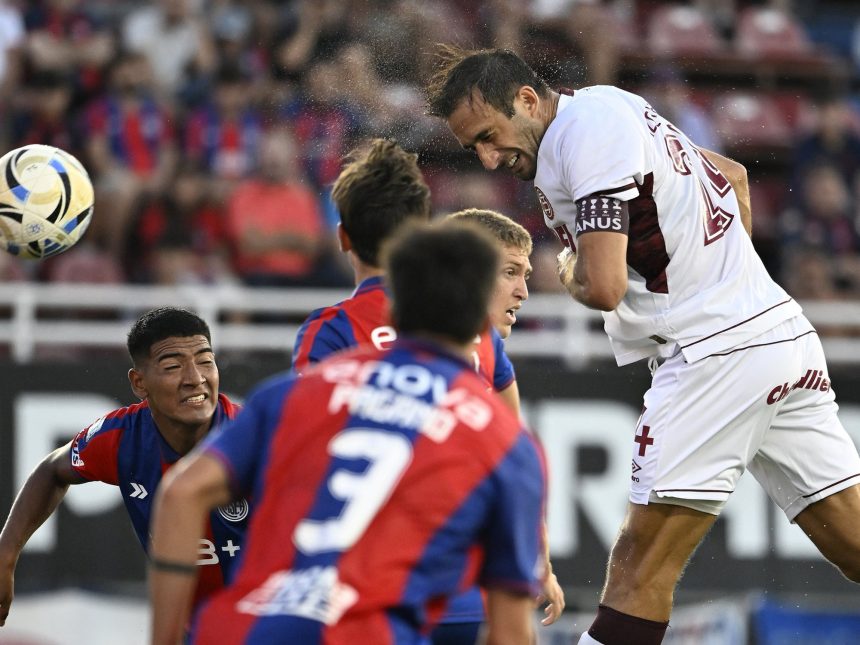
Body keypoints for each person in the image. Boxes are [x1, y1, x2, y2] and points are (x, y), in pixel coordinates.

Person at [425, 45, 860, 645]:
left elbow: (602, 286)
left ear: (527, 99)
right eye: (473, 147)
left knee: (637, 570)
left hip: (714, 353)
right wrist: (735, 289)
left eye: (490, 136)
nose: (488, 158)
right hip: (773, 334)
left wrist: (573, 267)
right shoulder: (608, 107)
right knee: (854, 543)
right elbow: (730, 177)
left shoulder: (585, 138)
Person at [148, 221, 547, 645]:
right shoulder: (509, 444)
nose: (521, 290)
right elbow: (510, 634)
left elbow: (180, 492)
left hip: (236, 629)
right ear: (479, 323)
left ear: (393, 313)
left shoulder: (292, 394)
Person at [290, 138, 564, 638]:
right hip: (469, 593)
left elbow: (310, 451)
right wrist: (537, 561)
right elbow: (514, 454)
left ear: (343, 238)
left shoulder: (330, 329)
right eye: (510, 274)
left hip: (375, 592)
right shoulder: (472, 331)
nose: (522, 290)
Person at [0, 307, 245, 628]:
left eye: (205, 361)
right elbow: (52, 470)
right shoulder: (120, 438)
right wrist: (6, 555)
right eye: (173, 366)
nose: (195, 379)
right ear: (139, 383)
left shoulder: (256, 438)